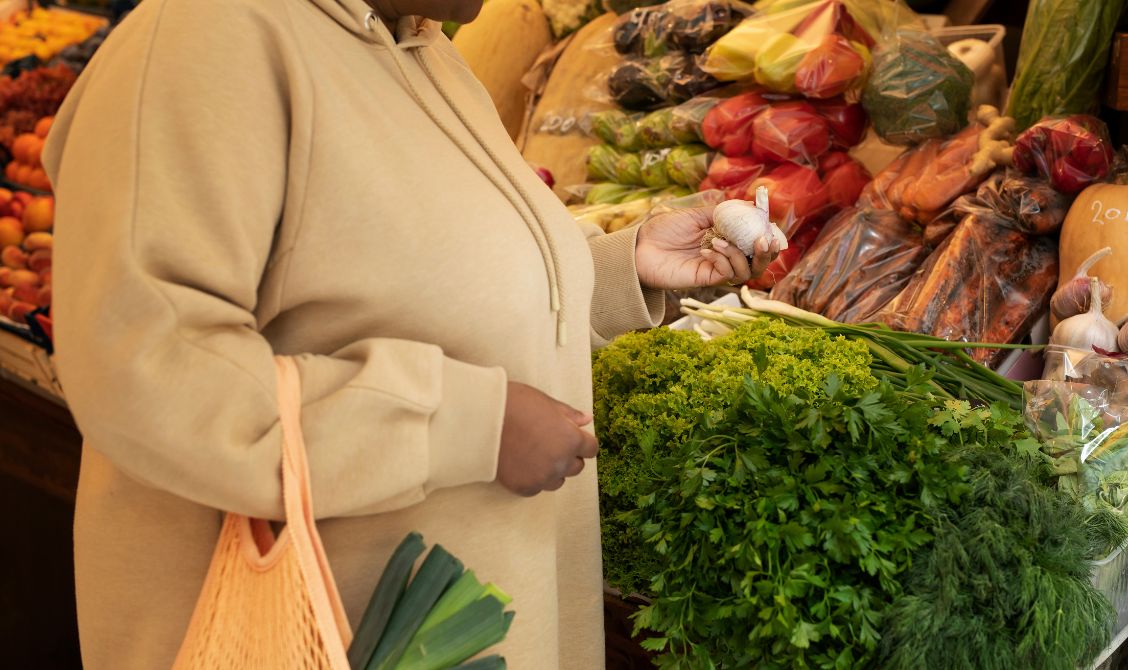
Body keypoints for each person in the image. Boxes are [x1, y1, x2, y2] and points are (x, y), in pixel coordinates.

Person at [42, 0, 779, 667]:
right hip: (308, 633)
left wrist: (625, 273)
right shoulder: (206, 37)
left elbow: (418, 291)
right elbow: (145, 365)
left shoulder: (419, 46)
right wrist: (464, 425)